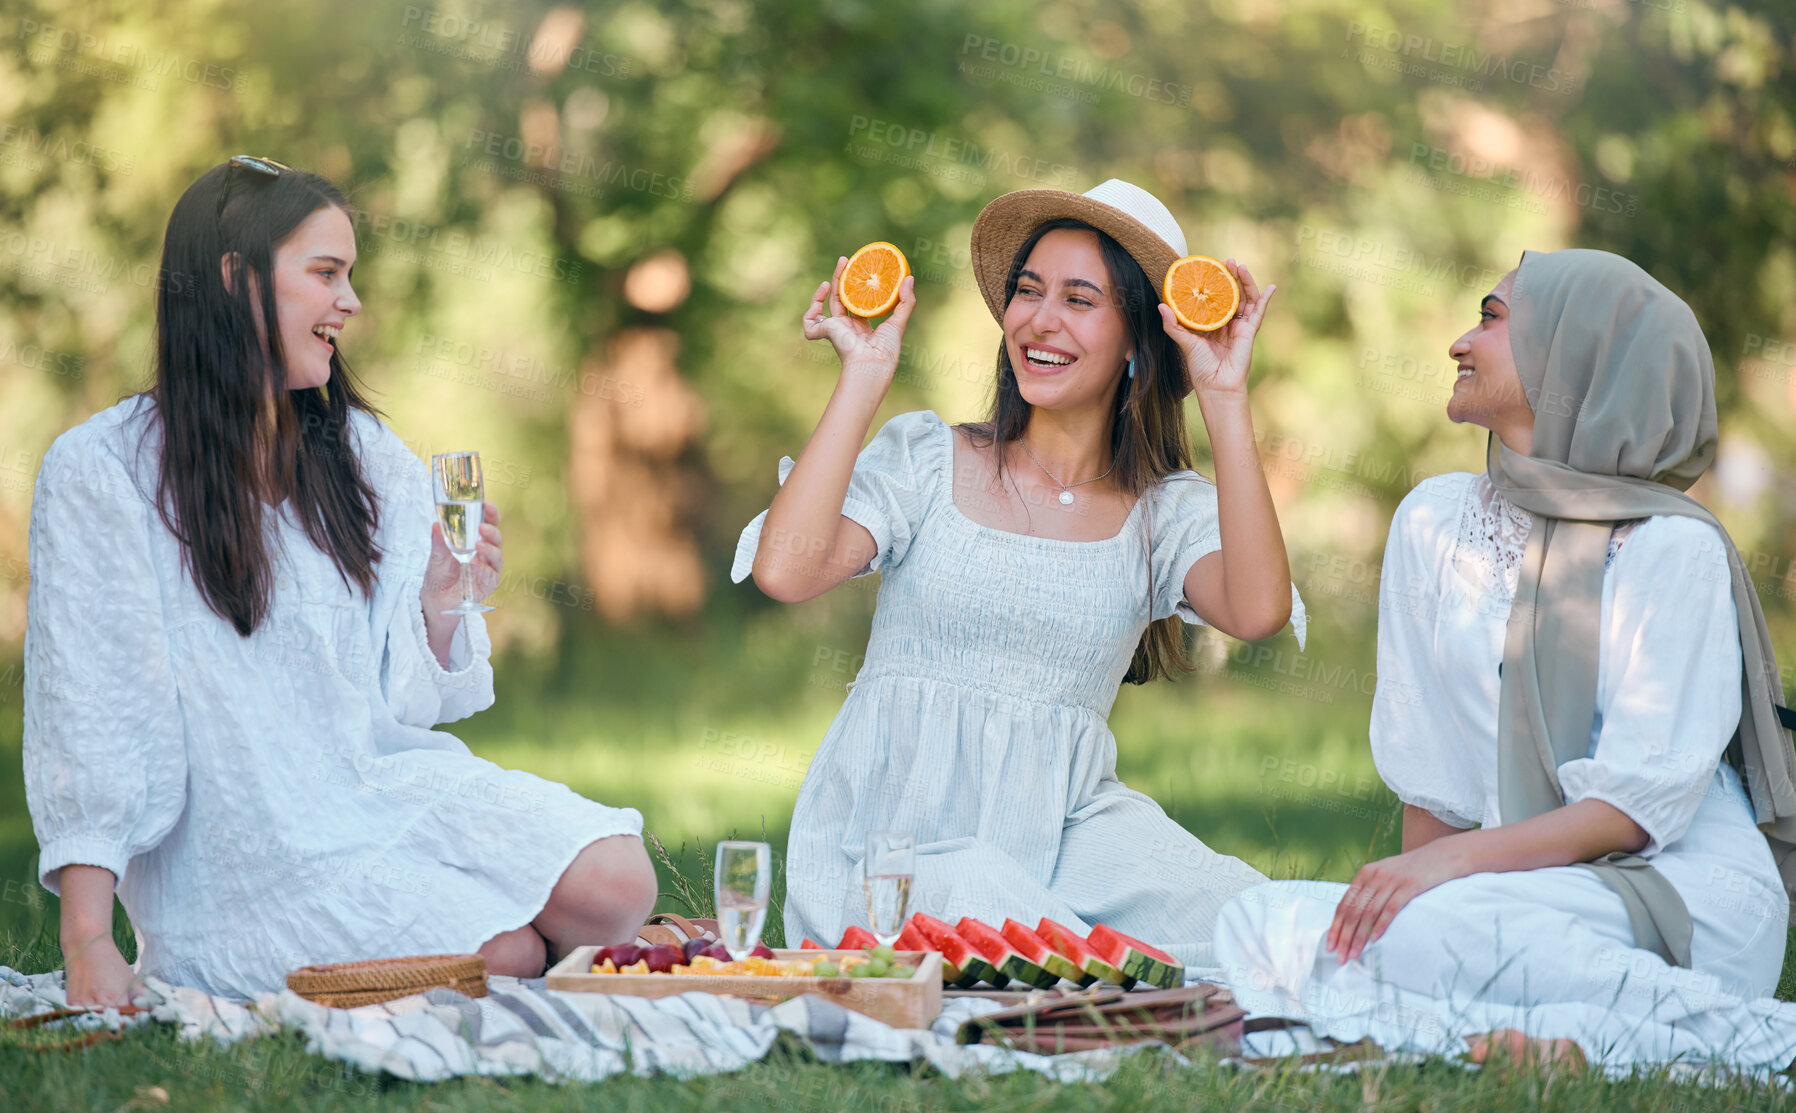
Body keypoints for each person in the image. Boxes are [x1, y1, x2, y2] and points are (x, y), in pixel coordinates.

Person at [25, 157, 656, 1006]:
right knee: (502, 954)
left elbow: (402, 701)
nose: (350, 302)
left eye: (349, 274)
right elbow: (93, 717)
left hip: (371, 785)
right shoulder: (105, 471)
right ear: (235, 278)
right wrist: (90, 942)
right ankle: (528, 945)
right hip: (248, 851)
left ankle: (541, 940)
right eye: (326, 273)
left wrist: (439, 605)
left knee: (620, 886)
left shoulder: (361, 457)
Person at [1214, 249, 1796, 1070]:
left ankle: (1744, 1035)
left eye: (1490, 318)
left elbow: (1630, 814)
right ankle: (1569, 1044)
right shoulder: (1435, 523)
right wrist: (1408, 888)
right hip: (1520, 891)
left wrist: (1441, 878)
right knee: (1257, 923)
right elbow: (1439, 785)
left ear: (1577, 353)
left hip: (1675, 891)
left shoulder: (1674, 549)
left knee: (1429, 933)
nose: (1459, 340)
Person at [731, 179, 1305, 965]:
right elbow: (785, 573)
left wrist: (1224, 393)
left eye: (1080, 299)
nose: (1040, 319)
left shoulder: (1160, 513)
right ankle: (1085, 969)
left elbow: (1259, 608)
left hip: (1069, 832)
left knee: (1255, 921)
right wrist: (863, 374)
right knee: (1007, 908)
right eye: (1029, 291)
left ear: (1138, 336)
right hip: (895, 854)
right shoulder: (932, 460)